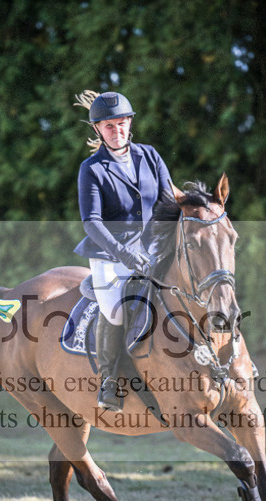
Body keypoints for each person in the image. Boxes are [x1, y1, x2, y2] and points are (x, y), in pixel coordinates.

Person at [73, 90, 174, 412]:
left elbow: (168, 200)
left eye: (121, 123)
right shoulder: (93, 168)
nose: (117, 131)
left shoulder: (150, 156)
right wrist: (124, 254)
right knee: (114, 309)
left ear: (130, 124)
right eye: (109, 126)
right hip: (110, 255)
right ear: (97, 130)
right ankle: (109, 380)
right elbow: (92, 222)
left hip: (152, 249)